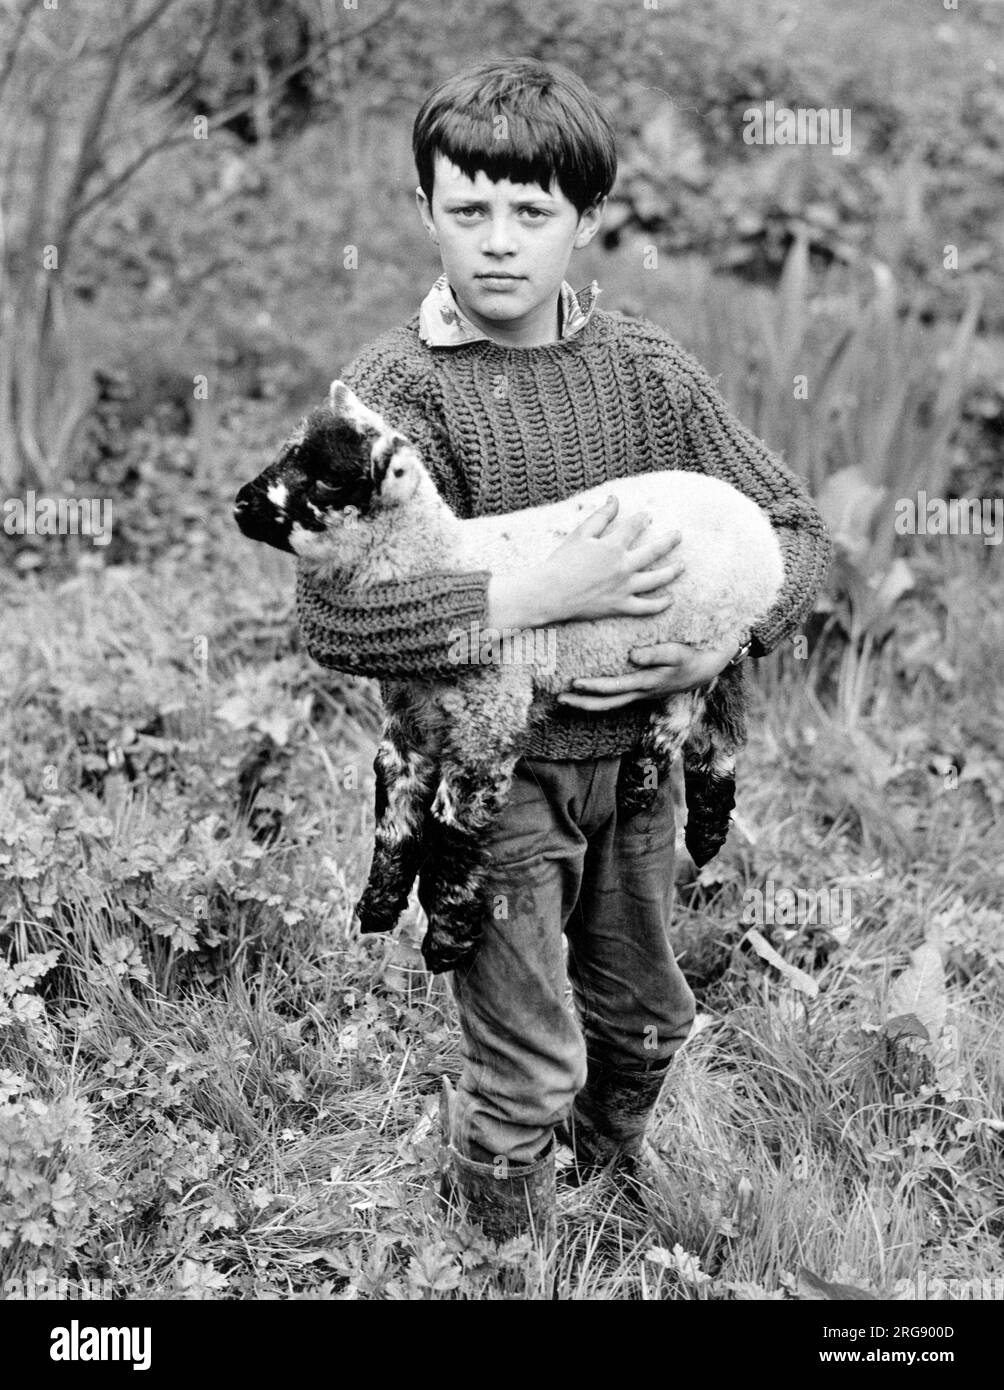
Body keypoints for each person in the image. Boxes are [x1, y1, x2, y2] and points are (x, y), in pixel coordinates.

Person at [294, 57, 832, 1241]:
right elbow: (330, 618)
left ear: (584, 220)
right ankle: (508, 1239)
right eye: (466, 209)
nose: (497, 242)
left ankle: (604, 1171)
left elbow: (795, 533)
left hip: (639, 765)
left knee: (645, 1018)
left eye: (531, 213)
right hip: (497, 787)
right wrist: (544, 585)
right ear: (421, 209)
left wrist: (717, 645)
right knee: (531, 1062)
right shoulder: (390, 397)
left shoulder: (645, 376)